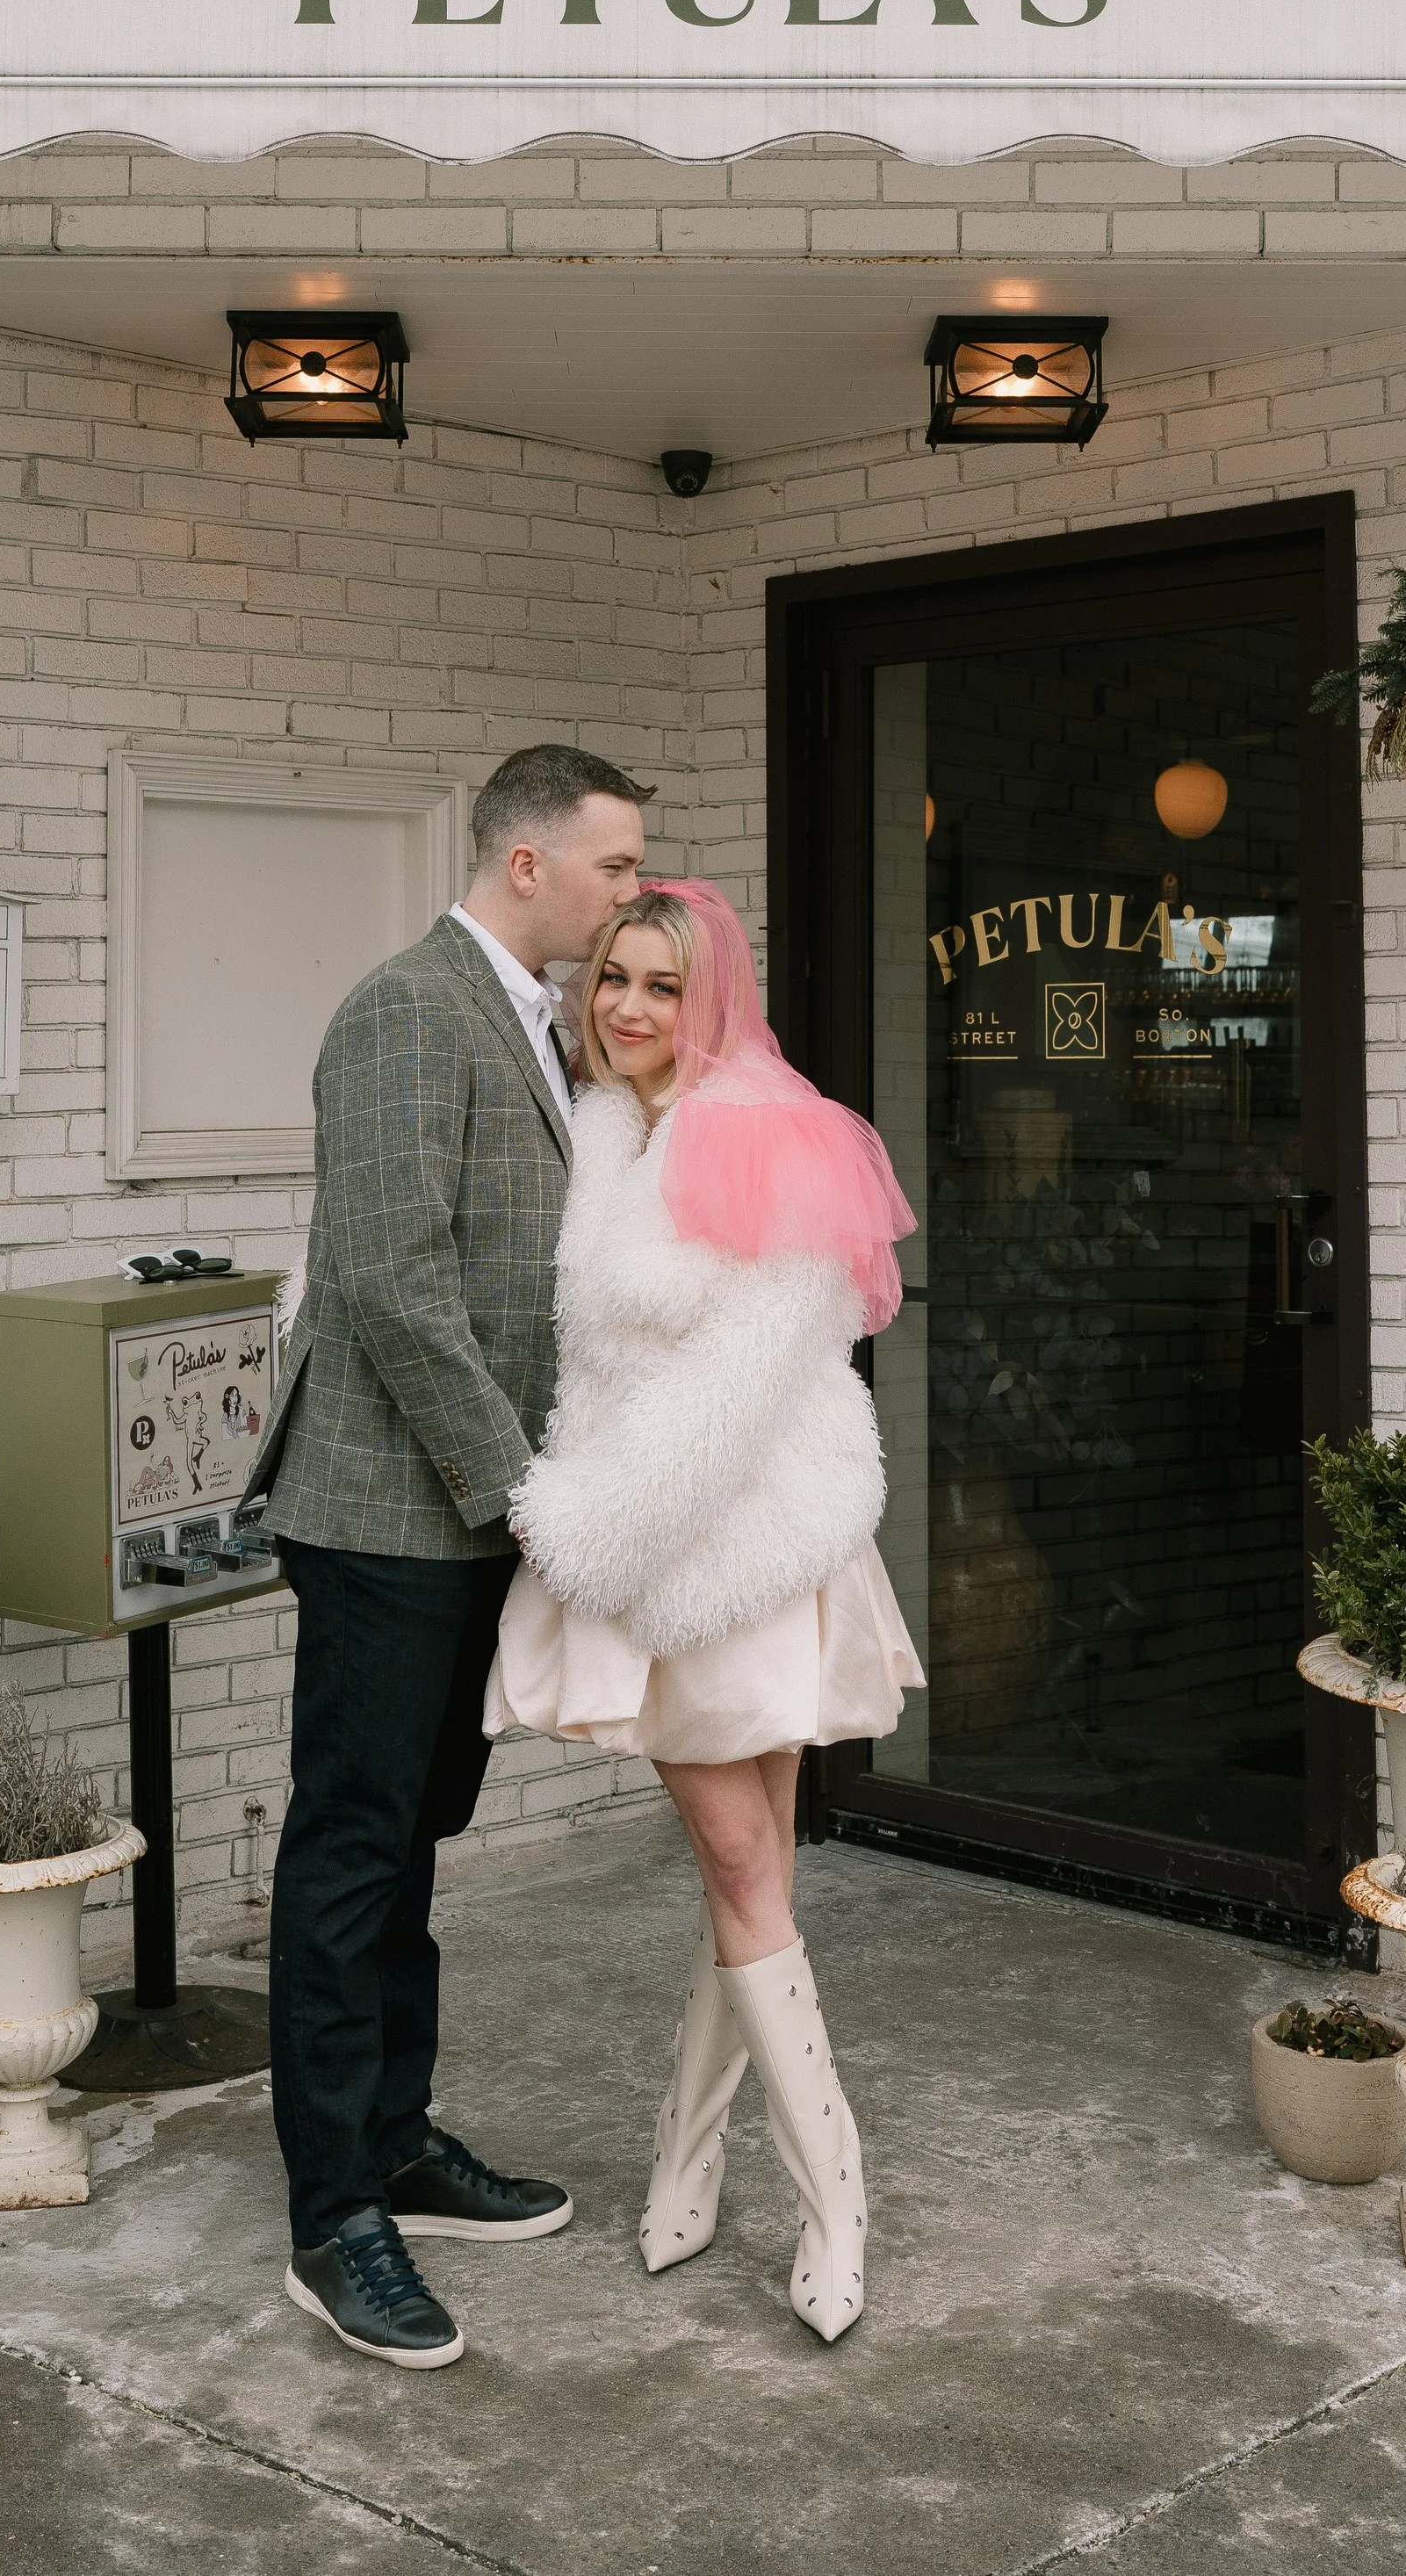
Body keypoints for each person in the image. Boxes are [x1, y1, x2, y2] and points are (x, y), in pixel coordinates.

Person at [241, 742, 645, 2369]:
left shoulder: (535, 1023)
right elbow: (391, 1281)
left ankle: (398, 2143)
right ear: (529, 862)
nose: (635, 893)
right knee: (350, 1855)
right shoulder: (409, 1009)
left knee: (409, 1842)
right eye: (615, 865)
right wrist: (525, 1495)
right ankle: (334, 2214)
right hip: (386, 1517)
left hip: (469, 1519)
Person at [491, 878, 921, 2344]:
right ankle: (691, 2163)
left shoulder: (772, 1135)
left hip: (729, 1552)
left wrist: (588, 1533)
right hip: (654, 1548)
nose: (626, 1007)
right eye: (613, 976)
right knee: (750, 1876)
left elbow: (746, 1384)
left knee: (748, 1871)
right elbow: (594, 1364)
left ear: (712, 997)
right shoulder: (612, 1131)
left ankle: (833, 2207)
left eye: (661, 986)